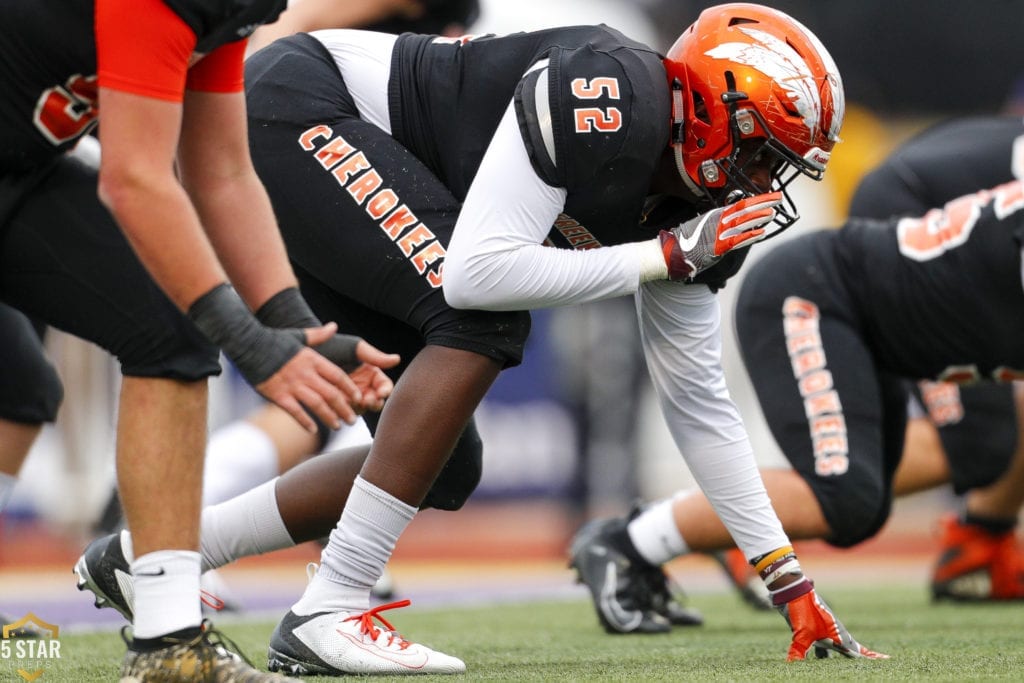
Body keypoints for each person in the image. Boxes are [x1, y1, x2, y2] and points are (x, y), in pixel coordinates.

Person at [77, 3, 883, 672]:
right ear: (712, 106)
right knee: (481, 323)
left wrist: (788, 581)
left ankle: (154, 549)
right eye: (758, 151)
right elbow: (478, 276)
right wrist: (660, 257)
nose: (759, 181)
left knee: (443, 462)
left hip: (361, 168)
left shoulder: (694, 213)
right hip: (308, 109)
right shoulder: (610, 94)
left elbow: (700, 405)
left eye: (778, 166)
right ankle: (332, 606)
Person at [1, 1, 401, 680]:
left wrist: (293, 330)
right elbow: (133, 180)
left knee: (165, 329)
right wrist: (248, 342)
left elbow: (220, 170)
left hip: (21, 168)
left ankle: (168, 644)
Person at [568, 114, 1024, 631]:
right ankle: (632, 542)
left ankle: (744, 523)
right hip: (816, 299)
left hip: (870, 309)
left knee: (882, 491)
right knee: (852, 496)